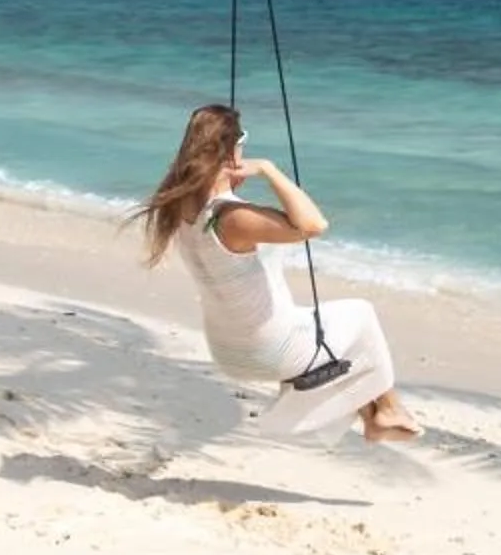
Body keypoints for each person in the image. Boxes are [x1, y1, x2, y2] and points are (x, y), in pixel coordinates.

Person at [135, 102, 418, 443]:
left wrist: (225, 183)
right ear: (232, 152)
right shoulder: (232, 218)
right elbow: (314, 224)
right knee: (360, 313)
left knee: (329, 330)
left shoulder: (178, 208)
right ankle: (388, 409)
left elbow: (219, 230)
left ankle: (372, 416)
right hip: (269, 350)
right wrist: (269, 170)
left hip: (228, 352)